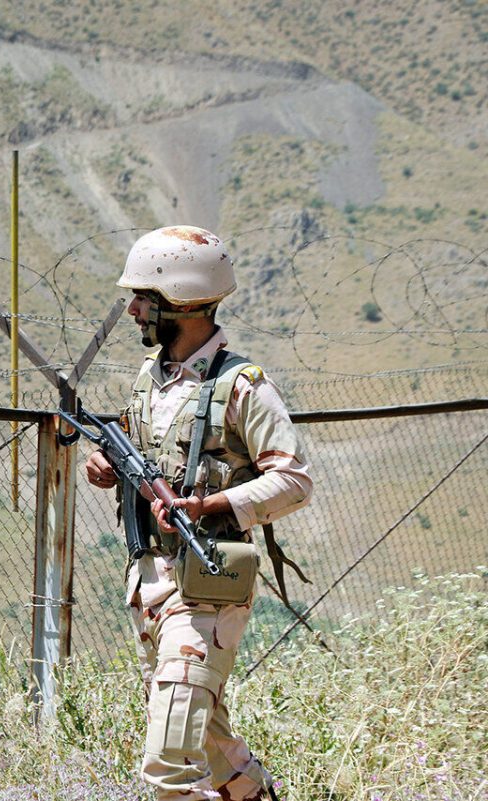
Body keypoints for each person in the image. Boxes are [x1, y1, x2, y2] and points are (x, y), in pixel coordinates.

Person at [84, 225, 313, 801]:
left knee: (169, 761)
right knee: (210, 748)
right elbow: (143, 458)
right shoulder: (150, 380)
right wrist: (106, 464)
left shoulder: (243, 388)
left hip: (209, 584)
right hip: (153, 582)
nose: (133, 309)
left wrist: (211, 503)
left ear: (180, 302)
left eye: (144, 299)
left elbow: (294, 481)